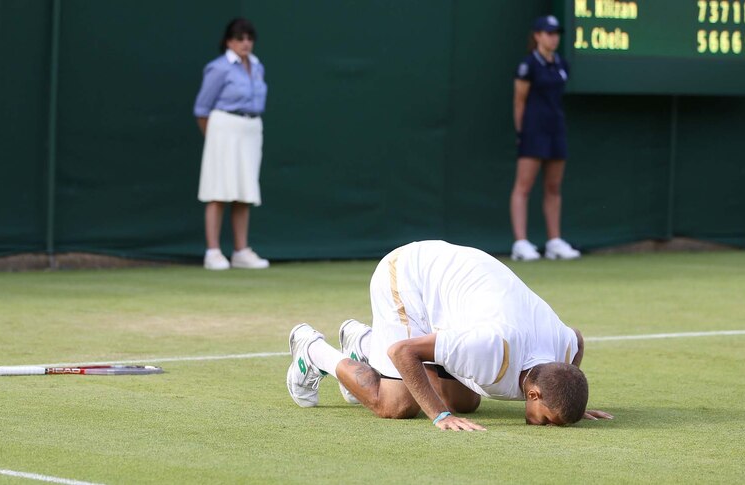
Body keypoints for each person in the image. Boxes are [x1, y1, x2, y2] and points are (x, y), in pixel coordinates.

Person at [286, 240, 612, 430]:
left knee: (465, 402)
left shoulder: (563, 348)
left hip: (452, 291)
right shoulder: (490, 348)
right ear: (534, 395)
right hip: (407, 276)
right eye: (549, 420)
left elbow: (577, 340)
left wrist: (568, 404)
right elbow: (403, 351)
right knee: (398, 405)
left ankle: (364, 344)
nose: (546, 426)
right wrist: (439, 415)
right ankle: (313, 351)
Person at [193, 18, 269, 270]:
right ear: (229, 42)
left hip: (251, 129)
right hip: (223, 129)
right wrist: (213, 138)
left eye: (249, 38)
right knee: (219, 190)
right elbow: (202, 109)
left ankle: (240, 251)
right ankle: (213, 252)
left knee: (244, 192)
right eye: (240, 38)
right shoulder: (218, 68)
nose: (245, 43)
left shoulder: (257, 67)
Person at [510, 15, 580, 261]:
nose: (554, 38)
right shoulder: (528, 66)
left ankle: (554, 241)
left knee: (553, 187)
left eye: (556, 33)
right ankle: (520, 243)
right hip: (533, 132)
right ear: (537, 35)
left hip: (556, 130)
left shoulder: (562, 64)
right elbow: (519, 102)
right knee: (524, 187)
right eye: (548, 33)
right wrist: (521, 132)